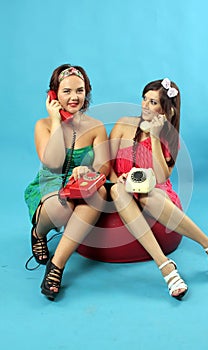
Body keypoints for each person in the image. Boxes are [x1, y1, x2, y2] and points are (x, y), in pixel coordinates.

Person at [109, 78, 208, 300]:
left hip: (155, 194)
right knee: (117, 190)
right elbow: (107, 167)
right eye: (144, 99)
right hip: (122, 193)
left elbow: (162, 176)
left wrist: (154, 136)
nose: (145, 105)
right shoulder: (124, 123)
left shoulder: (170, 137)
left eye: (153, 102)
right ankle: (165, 266)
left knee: (145, 193)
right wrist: (119, 178)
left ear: (166, 109)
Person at [24, 64, 110, 300]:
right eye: (67, 91)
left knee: (100, 191)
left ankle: (57, 266)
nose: (74, 97)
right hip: (52, 183)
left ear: (87, 92)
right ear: (54, 94)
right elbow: (53, 162)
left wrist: (88, 169)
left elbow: (105, 167)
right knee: (62, 211)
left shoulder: (96, 127)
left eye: (80, 91)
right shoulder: (42, 125)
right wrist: (55, 121)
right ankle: (39, 232)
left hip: (83, 185)